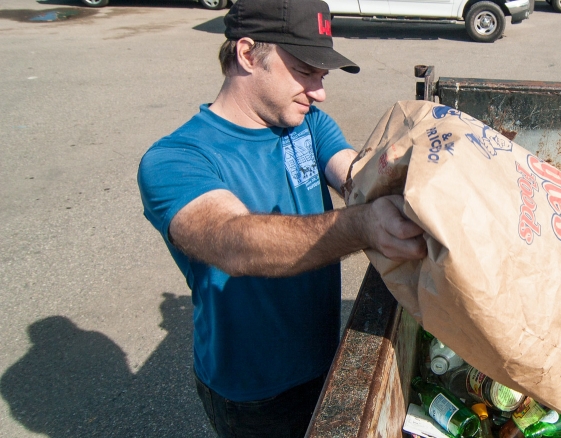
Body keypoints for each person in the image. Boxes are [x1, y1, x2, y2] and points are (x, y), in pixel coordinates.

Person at [136, 0, 427, 435]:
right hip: (254, 390)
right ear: (248, 53)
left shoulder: (309, 125)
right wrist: (363, 224)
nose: (319, 91)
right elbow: (233, 242)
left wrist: (411, 179)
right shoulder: (175, 159)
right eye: (306, 71)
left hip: (325, 353)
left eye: (322, 76)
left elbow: (354, 176)